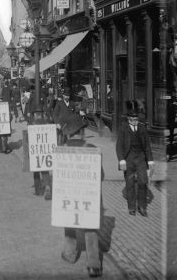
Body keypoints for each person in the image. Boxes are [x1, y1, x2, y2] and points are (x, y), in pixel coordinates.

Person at [59, 113, 104, 278]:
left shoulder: (61, 150)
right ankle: (94, 265)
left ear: (69, 133)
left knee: (69, 226)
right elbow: (101, 175)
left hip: (69, 196)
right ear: (82, 131)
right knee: (91, 229)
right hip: (88, 197)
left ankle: (70, 254)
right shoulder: (92, 150)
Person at [116, 100, 154, 216]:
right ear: (128, 119)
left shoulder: (142, 128)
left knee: (143, 182)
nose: (135, 122)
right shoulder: (123, 129)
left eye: (136, 119)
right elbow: (119, 146)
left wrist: (151, 161)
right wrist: (121, 160)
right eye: (132, 120)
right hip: (129, 159)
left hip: (141, 159)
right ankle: (132, 207)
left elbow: (147, 146)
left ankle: (142, 206)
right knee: (130, 183)